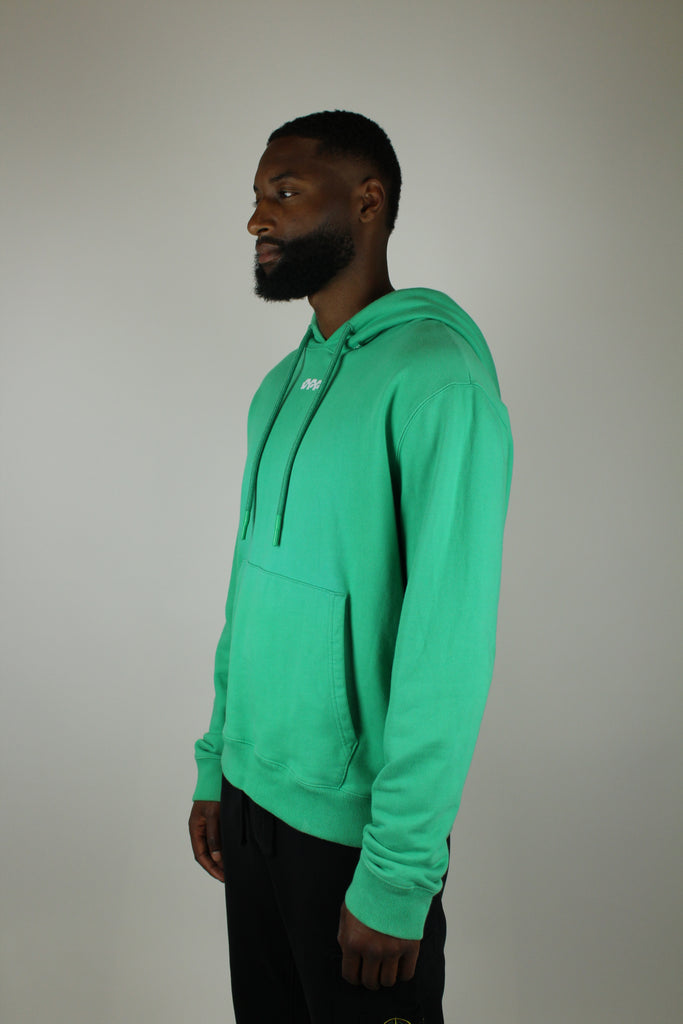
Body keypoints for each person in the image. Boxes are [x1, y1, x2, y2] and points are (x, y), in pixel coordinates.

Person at [189, 110, 513, 1024]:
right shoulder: (276, 389)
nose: (257, 219)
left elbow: (448, 641)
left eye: (284, 192)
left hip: (353, 839)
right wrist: (217, 765)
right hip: (250, 806)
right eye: (256, 196)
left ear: (368, 203)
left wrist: (401, 871)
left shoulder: (437, 377)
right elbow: (247, 594)